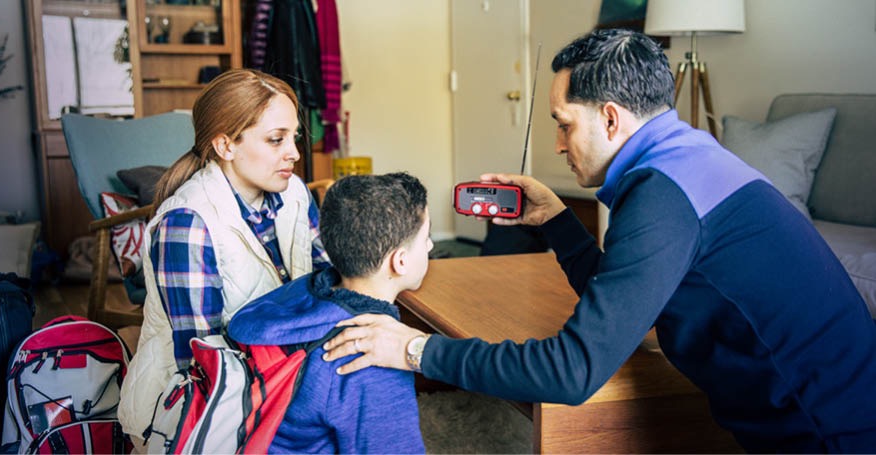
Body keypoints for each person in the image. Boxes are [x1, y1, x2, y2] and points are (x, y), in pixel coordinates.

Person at [321, 29, 876, 452]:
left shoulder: (663, 197)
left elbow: (572, 371)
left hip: (825, 432)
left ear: (610, 119)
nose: (560, 144)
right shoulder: (687, 158)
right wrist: (558, 219)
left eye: (564, 124)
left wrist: (413, 349)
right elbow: (626, 299)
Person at [118, 69, 331, 440]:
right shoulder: (186, 224)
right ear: (225, 146)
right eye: (276, 140)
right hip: (202, 405)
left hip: (281, 366)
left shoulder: (293, 192)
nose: (295, 153)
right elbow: (204, 365)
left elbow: (328, 279)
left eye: (293, 137)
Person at [227, 172, 431, 453]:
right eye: (426, 238)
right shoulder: (370, 356)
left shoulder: (299, 294)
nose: (431, 246)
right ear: (401, 261)